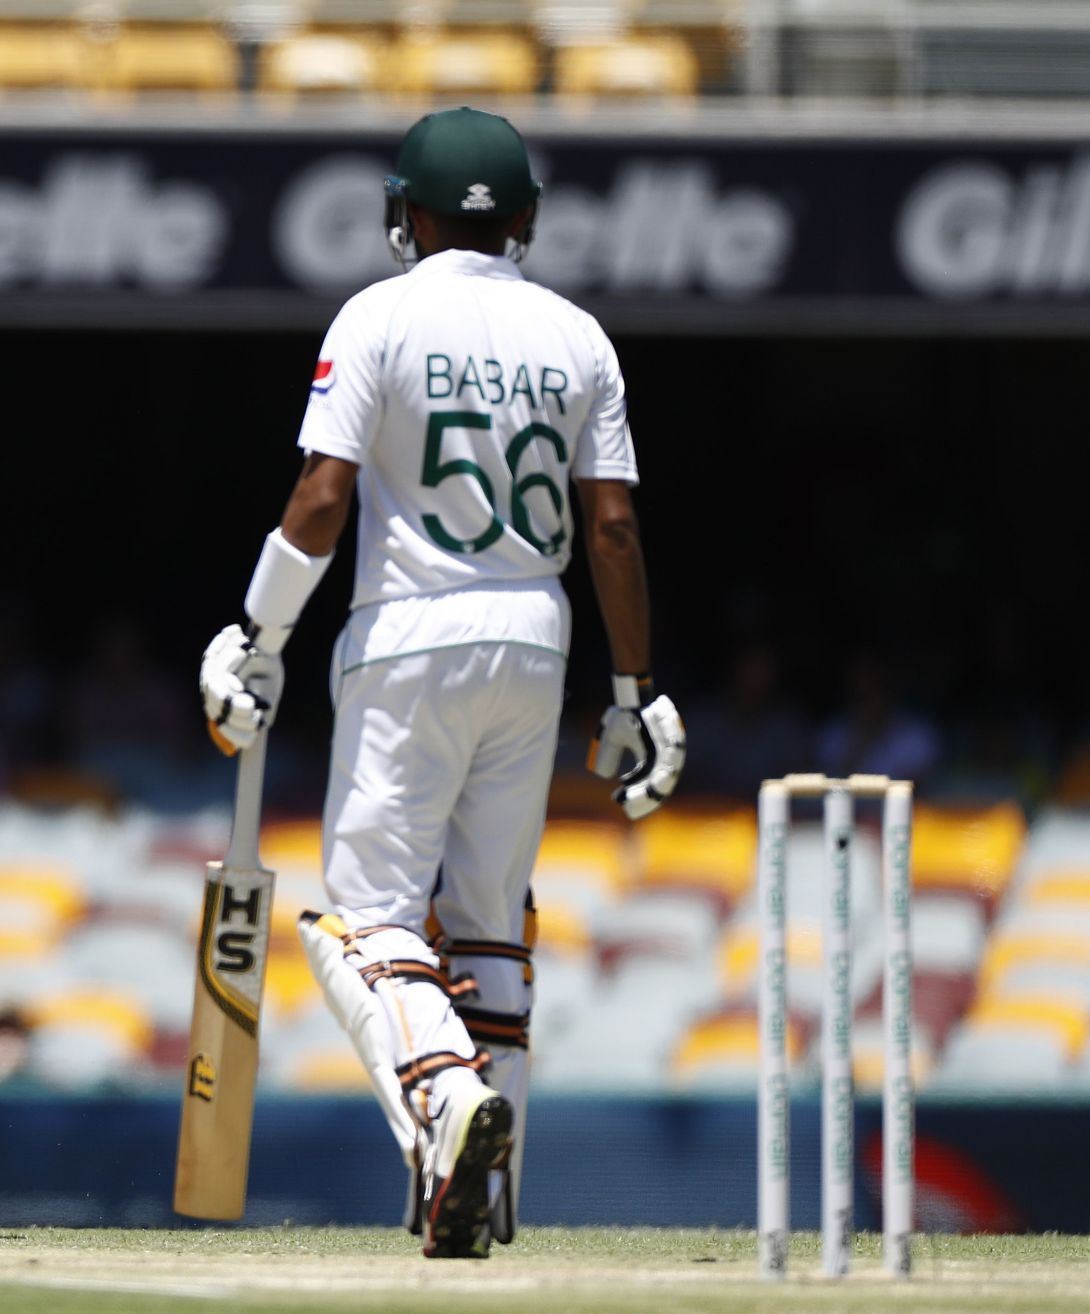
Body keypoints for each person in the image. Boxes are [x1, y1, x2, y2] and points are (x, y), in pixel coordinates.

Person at [198, 108, 684, 1259]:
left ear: (403, 214)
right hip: (539, 635)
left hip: (410, 630)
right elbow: (611, 529)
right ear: (524, 220)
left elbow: (321, 497)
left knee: (365, 921)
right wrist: (635, 690)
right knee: (486, 930)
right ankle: (480, 1198)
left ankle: (448, 1104)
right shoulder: (580, 336)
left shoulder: (380, 313)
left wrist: (257, 636)